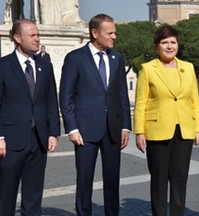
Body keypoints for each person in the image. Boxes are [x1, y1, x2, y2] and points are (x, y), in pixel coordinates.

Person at [0, 19, 60, 215]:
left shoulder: (45, 65)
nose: (37, 39)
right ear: (17, 38)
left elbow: (51, 101)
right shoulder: (0, 67)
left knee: (34, 194)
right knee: (7, 192)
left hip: (39, 139)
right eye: (32, 35)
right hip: (11, 140)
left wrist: (53, 132)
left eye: (38, 35)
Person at [59, 13, 131, 216]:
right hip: (84, 131)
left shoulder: (117, 58)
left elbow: (122, 95)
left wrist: (125, 125)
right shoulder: (75, 58)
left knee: (112, 181)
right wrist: (71, 128)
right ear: (94, 33)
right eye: (110, 33)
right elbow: (66, 96)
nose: (114, 37)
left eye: (114, 32)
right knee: (84, 181)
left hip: (112, 130)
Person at [134, 24, 199, 216]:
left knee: (180, 178)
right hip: (157, 131)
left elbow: (194, 100)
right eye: (164, 42)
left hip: (184, 129)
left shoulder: (188, 68)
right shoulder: (147, 69)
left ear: (178, 44)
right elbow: (141, 103)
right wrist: (139, 132)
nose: (169, 46)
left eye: (173, 42)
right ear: (157, 46)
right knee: (159, 179)